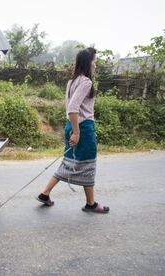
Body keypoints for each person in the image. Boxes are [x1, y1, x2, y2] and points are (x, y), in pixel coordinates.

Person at [36, 47, 109, 214]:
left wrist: (73, 130)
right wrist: (77, 132)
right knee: (88, 164)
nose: (95, 65)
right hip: (82, 127)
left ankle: (44, 193)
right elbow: (73, 108)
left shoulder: (72, 81)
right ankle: (90, 203)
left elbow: (70, 109)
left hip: (72, 125)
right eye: (94, 62)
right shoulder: (85, 82)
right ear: (88, 62)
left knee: (69, 162)